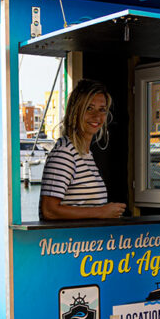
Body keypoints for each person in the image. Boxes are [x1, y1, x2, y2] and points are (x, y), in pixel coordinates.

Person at [40, 79, 127, 220]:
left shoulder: (85, 154)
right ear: (76, 111)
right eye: (89, 108)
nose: (97, 116)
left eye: (102, 109)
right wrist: (101, 212)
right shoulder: (64, 153)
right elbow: (49, 211)